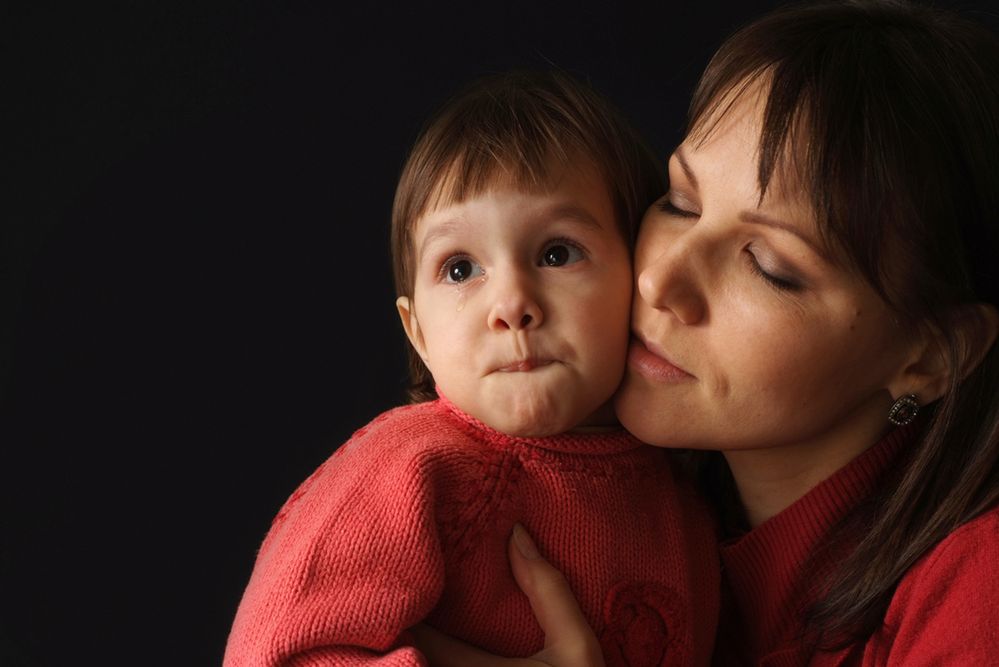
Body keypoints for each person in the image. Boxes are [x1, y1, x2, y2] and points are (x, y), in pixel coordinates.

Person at [412, 1, 999, 665]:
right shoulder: (564, 497)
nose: (658, 279)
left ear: (926, 356)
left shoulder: (978, 590)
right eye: (679, 202)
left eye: (770, 266)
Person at [223, 70, 721, 666]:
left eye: (557, 253)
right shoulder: (415, 470)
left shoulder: (686, 497)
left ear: (639, 276)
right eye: (460, 269)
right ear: (419, 333)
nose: (512, 305)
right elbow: (276, 655)